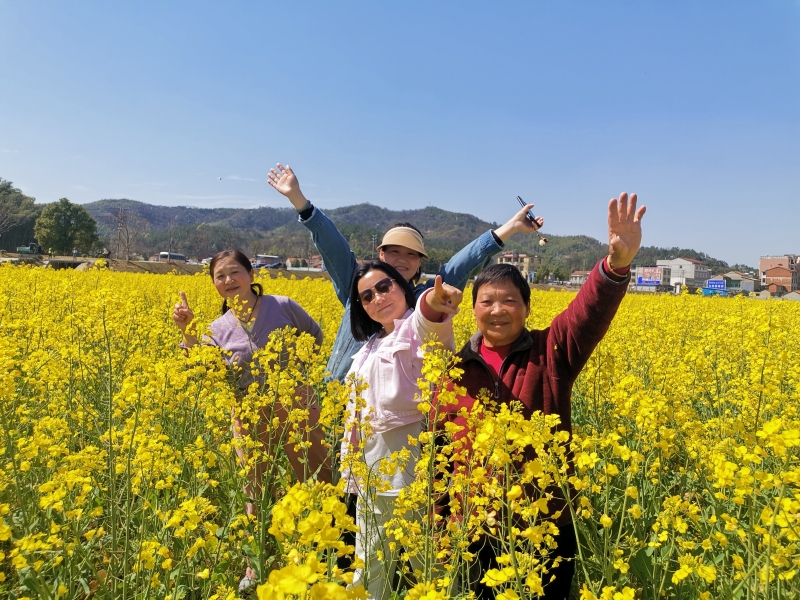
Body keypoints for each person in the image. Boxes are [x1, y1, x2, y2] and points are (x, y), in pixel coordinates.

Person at [435, 193, 646, 599]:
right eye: (487, 301)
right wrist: (441, 524)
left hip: (546, 524)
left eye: (509, 301)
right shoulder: (454, 370)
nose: (498, 310)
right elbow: (441, 453)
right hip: (478, 527)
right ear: (473, 309)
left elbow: (587, 312)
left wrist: (615, 265)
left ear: (527, 309)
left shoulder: (552, 351)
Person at [267, 163, 544, 383]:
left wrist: (510, 227)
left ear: (420, 263)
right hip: (338, 404)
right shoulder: (358, 286)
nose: (402, 260)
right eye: (394, 252)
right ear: (381, 254)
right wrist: (299, 200)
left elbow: (463, 263)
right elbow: (333, 245)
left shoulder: (423, 299)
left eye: (411, 254)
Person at [171, 249, 328, 592]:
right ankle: (256, 562)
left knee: (315, 472)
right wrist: (188, 331)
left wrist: (302, 375)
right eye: (220, 276)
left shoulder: (282, 305)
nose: (228, 281)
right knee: (254, 485)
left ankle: (326, 547)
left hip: (296, 402)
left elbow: (314, 336)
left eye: (234, 272)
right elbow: (201, 368)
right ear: (214, 284)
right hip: (245, 410)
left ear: (251, 274)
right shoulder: (216, 328)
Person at [343, 260, 463, 600]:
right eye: (366, 296)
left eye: (384, 287)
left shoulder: (413, 329)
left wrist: (433, 303)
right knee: (368, 567)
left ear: (401, 286)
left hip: (413, 476)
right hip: (371, 475)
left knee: (429, 568)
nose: (377, 298)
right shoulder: (368, 346)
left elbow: (430, 319)